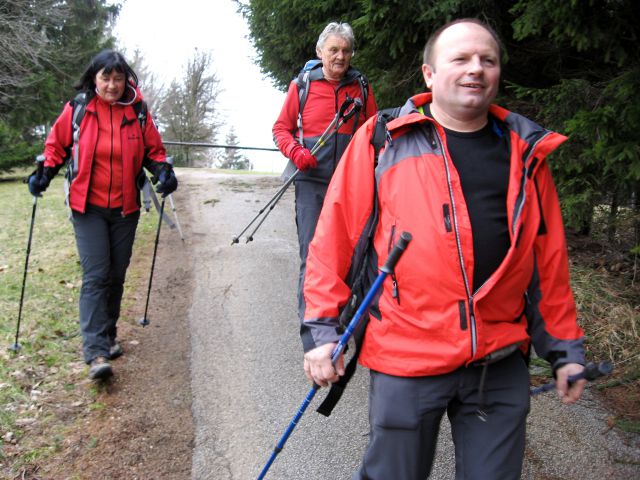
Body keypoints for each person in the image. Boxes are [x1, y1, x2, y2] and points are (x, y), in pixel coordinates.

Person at [300, 19, 586, 479]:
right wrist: (322, 334)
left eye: (487, 60)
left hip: (498, 360)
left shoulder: (525, 152)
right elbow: (332, 241)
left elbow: (546, 264)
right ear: (430, 74)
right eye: (461, 59)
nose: (476, 69)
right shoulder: (383, 139)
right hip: (407, 356)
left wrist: (565, 351)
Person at [27, 50, 177, 381]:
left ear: (127, 80)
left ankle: (108, 336)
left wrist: (163, 171)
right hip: (87, 206)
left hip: (125, 207)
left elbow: (153, 150)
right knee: (96, 275)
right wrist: (44, 173)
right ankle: (95, 352)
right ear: (94, 78)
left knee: (117, 274)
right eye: (105, 78)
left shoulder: (137, 110)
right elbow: (56, 146)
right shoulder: (79, 108)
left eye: (118, 78)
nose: (111, 85)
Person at [272, 21, 377, 320]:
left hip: (349, 186)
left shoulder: (361, 88)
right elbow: (281, 128)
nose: (340, 56)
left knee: (349, 254)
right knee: (312, 252)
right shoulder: (303, 86)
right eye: (333, 50)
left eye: (346, 50)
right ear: (320, 51)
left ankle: (340, 318)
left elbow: (373, 132)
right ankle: (312, 321)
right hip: (310, 182)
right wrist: (296, 151)